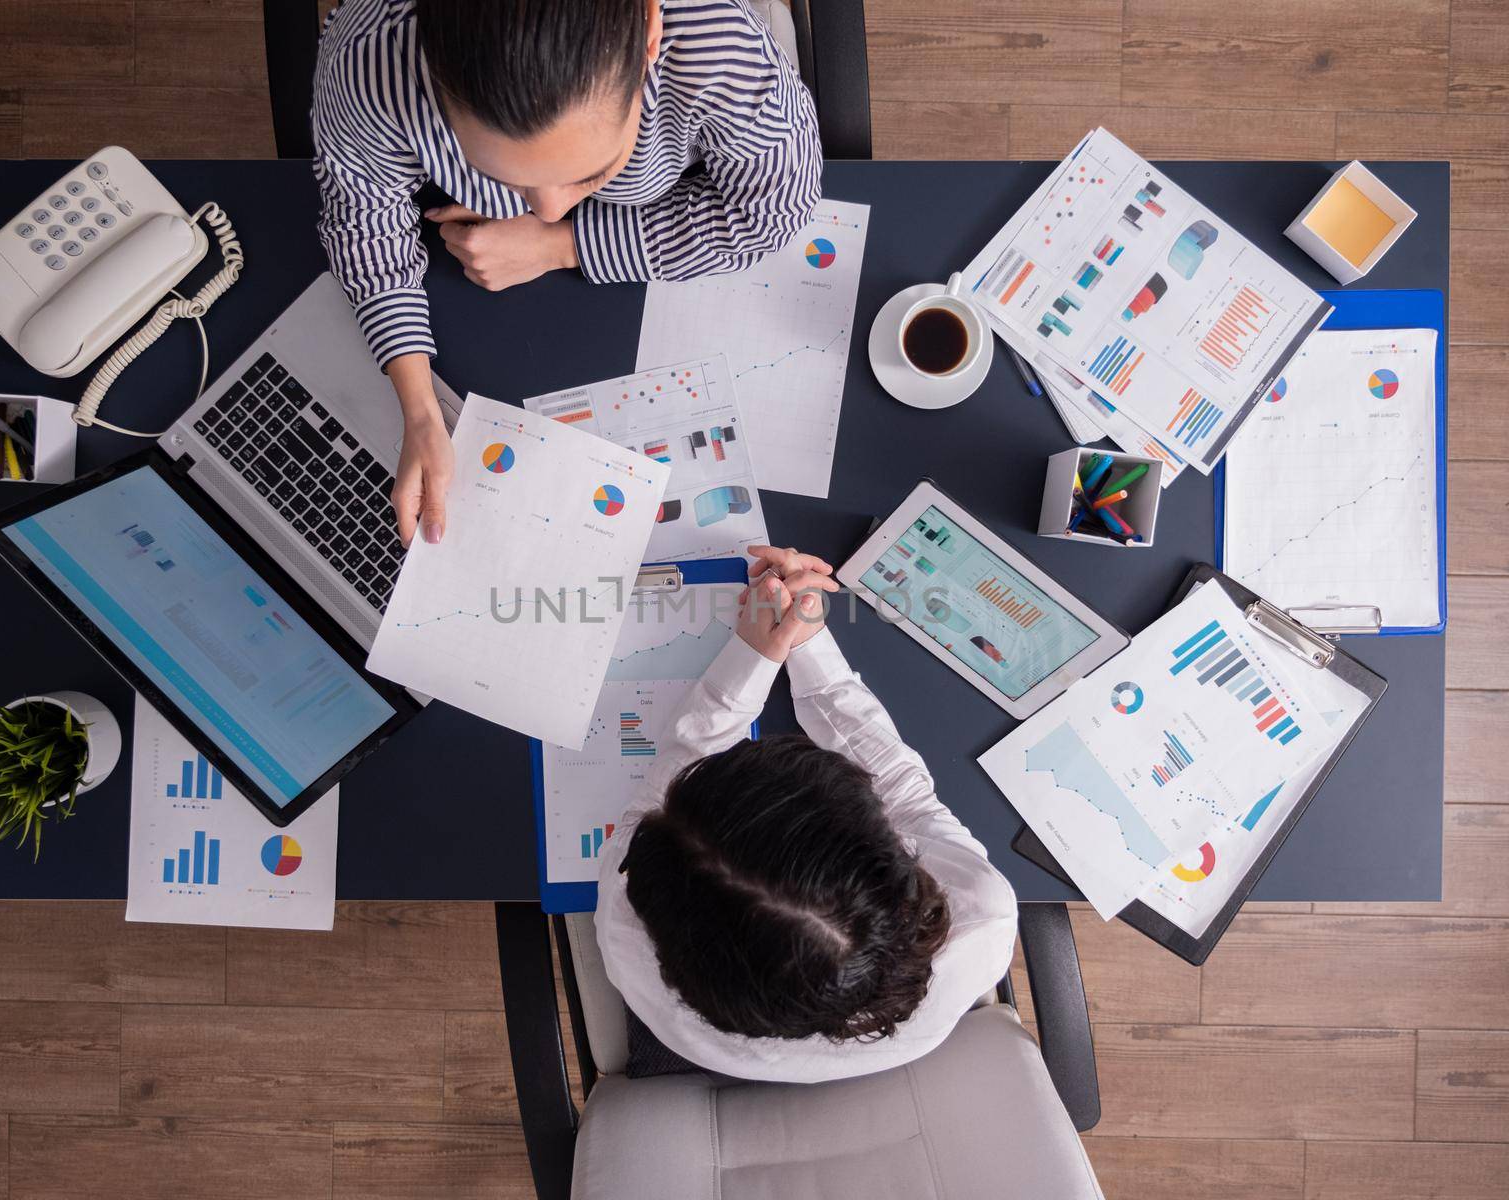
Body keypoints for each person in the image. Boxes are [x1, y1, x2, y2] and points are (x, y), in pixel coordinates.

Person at [312, 0, 823, 547]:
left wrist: (562, 244)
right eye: (495, 172)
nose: (548, 206)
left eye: (590, 173)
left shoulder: (715, 45)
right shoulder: (370, 63)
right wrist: (418, 409)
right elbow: (364, 219)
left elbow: (772, 212)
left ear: (649, 34)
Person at [595, 547, 1019, 1083]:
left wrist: (757, 651)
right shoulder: (979, 912)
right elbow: (907, 795)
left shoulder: (627, 930)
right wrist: (807, 638)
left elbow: (664, 784)